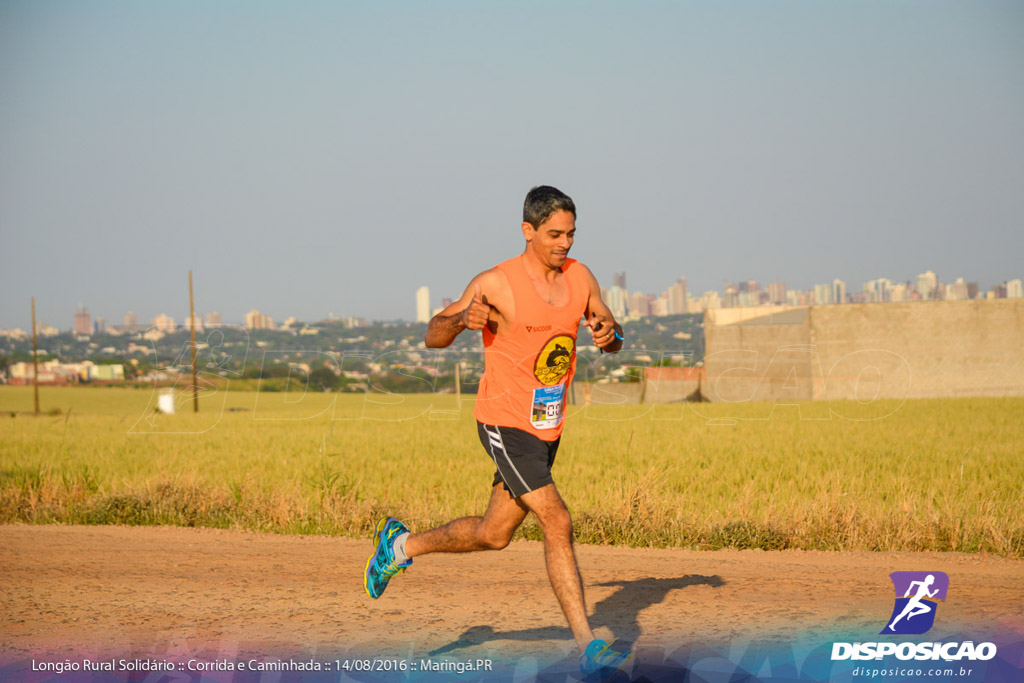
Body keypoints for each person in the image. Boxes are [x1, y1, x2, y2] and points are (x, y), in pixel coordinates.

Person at [364, 185, 629, 677]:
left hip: (546, 424)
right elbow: (433, 334)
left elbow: (608, 329)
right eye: (554, 234)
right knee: (557, 519)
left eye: (570, 233)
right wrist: (464, 319)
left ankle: (398, 547)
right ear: (527, 231)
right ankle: (588, 646)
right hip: (503, 421)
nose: (564, 243)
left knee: (494, 535)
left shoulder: (581, 277)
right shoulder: (497, 282)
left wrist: (610, 336)